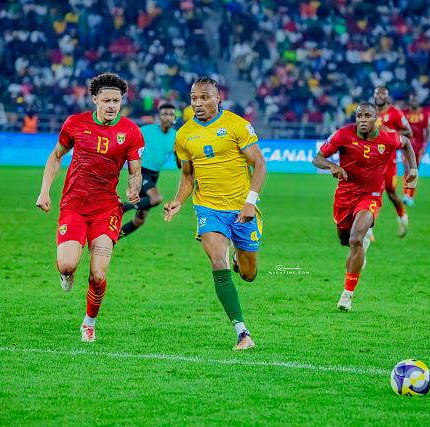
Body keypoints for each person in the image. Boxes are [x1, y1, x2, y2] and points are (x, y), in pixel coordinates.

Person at [35, 72, 144, 342]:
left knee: (97, 274)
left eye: (116, 101)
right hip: (74, 205)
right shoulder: (75, 123)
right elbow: (56, 156)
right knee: (67, 265)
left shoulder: (131, 131)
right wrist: (44, 191)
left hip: (106, 209)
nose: (112, 106)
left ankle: (89, 323)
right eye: (106, 100)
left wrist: (134, 187)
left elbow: (135, 171)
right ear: (95, 99)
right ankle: (66, 274)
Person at [163, 76, 267, 351]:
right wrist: (178, 201)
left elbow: (259, 164)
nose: (198, 103)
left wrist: (250, 202)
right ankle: (242, 332)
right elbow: (188, 176)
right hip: (208, 208)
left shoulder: (236, 125)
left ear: (218, 98)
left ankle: (238, 256)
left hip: (242, 208)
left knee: (248, 274)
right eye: (194, 98)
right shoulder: (184, 134)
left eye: (204, 97)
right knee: (218, 263)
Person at [313, 102, 418, 312]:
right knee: (345, 240)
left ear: (376, 118)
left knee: (356, 239)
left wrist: (413, 171)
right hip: (344, 196)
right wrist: (333, 166)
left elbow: (407, 143)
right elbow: (318, 158)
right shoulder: (343, 135)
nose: (362, 120)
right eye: (359, 116)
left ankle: (347, 295)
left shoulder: (388, 138)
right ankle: (361, 248)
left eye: (367, 116)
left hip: (370, 196)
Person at [119, 103, 179, 238]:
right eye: (164, 114)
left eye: (171, 114)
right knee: (156, 198)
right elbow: (129, 141)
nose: (168, 117)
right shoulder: (147, 130)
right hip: (140, 172)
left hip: (154, 176)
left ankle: (113, 239)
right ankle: (123, 207)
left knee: (139, 220)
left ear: (174, 117)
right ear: (158, 117)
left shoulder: (176, 136)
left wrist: (180, 159)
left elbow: (179, 160)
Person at [374, 87, 413, 237]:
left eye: (382, 94)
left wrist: (390, 133)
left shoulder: (395, 113)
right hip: (370, 159)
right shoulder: (370, 112)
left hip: (389, 160)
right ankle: (366, 228)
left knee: (391, 193)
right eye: (377, 94)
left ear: (387, 97)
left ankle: (402, 215)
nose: (379, 96)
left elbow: (409, 132)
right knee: (369, 193)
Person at [403, 94, 430, 206]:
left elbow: (429, 131)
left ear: (419, 101)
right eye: (412, 99)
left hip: (419, 147)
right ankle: (405, 194)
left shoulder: (425, 114)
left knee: (414, 171)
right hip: (406, 146)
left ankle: (411, 196)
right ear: (410, 101)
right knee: (407, 169)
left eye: (416, 99)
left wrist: (425, 146)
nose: (414, 101)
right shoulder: (404, 113)